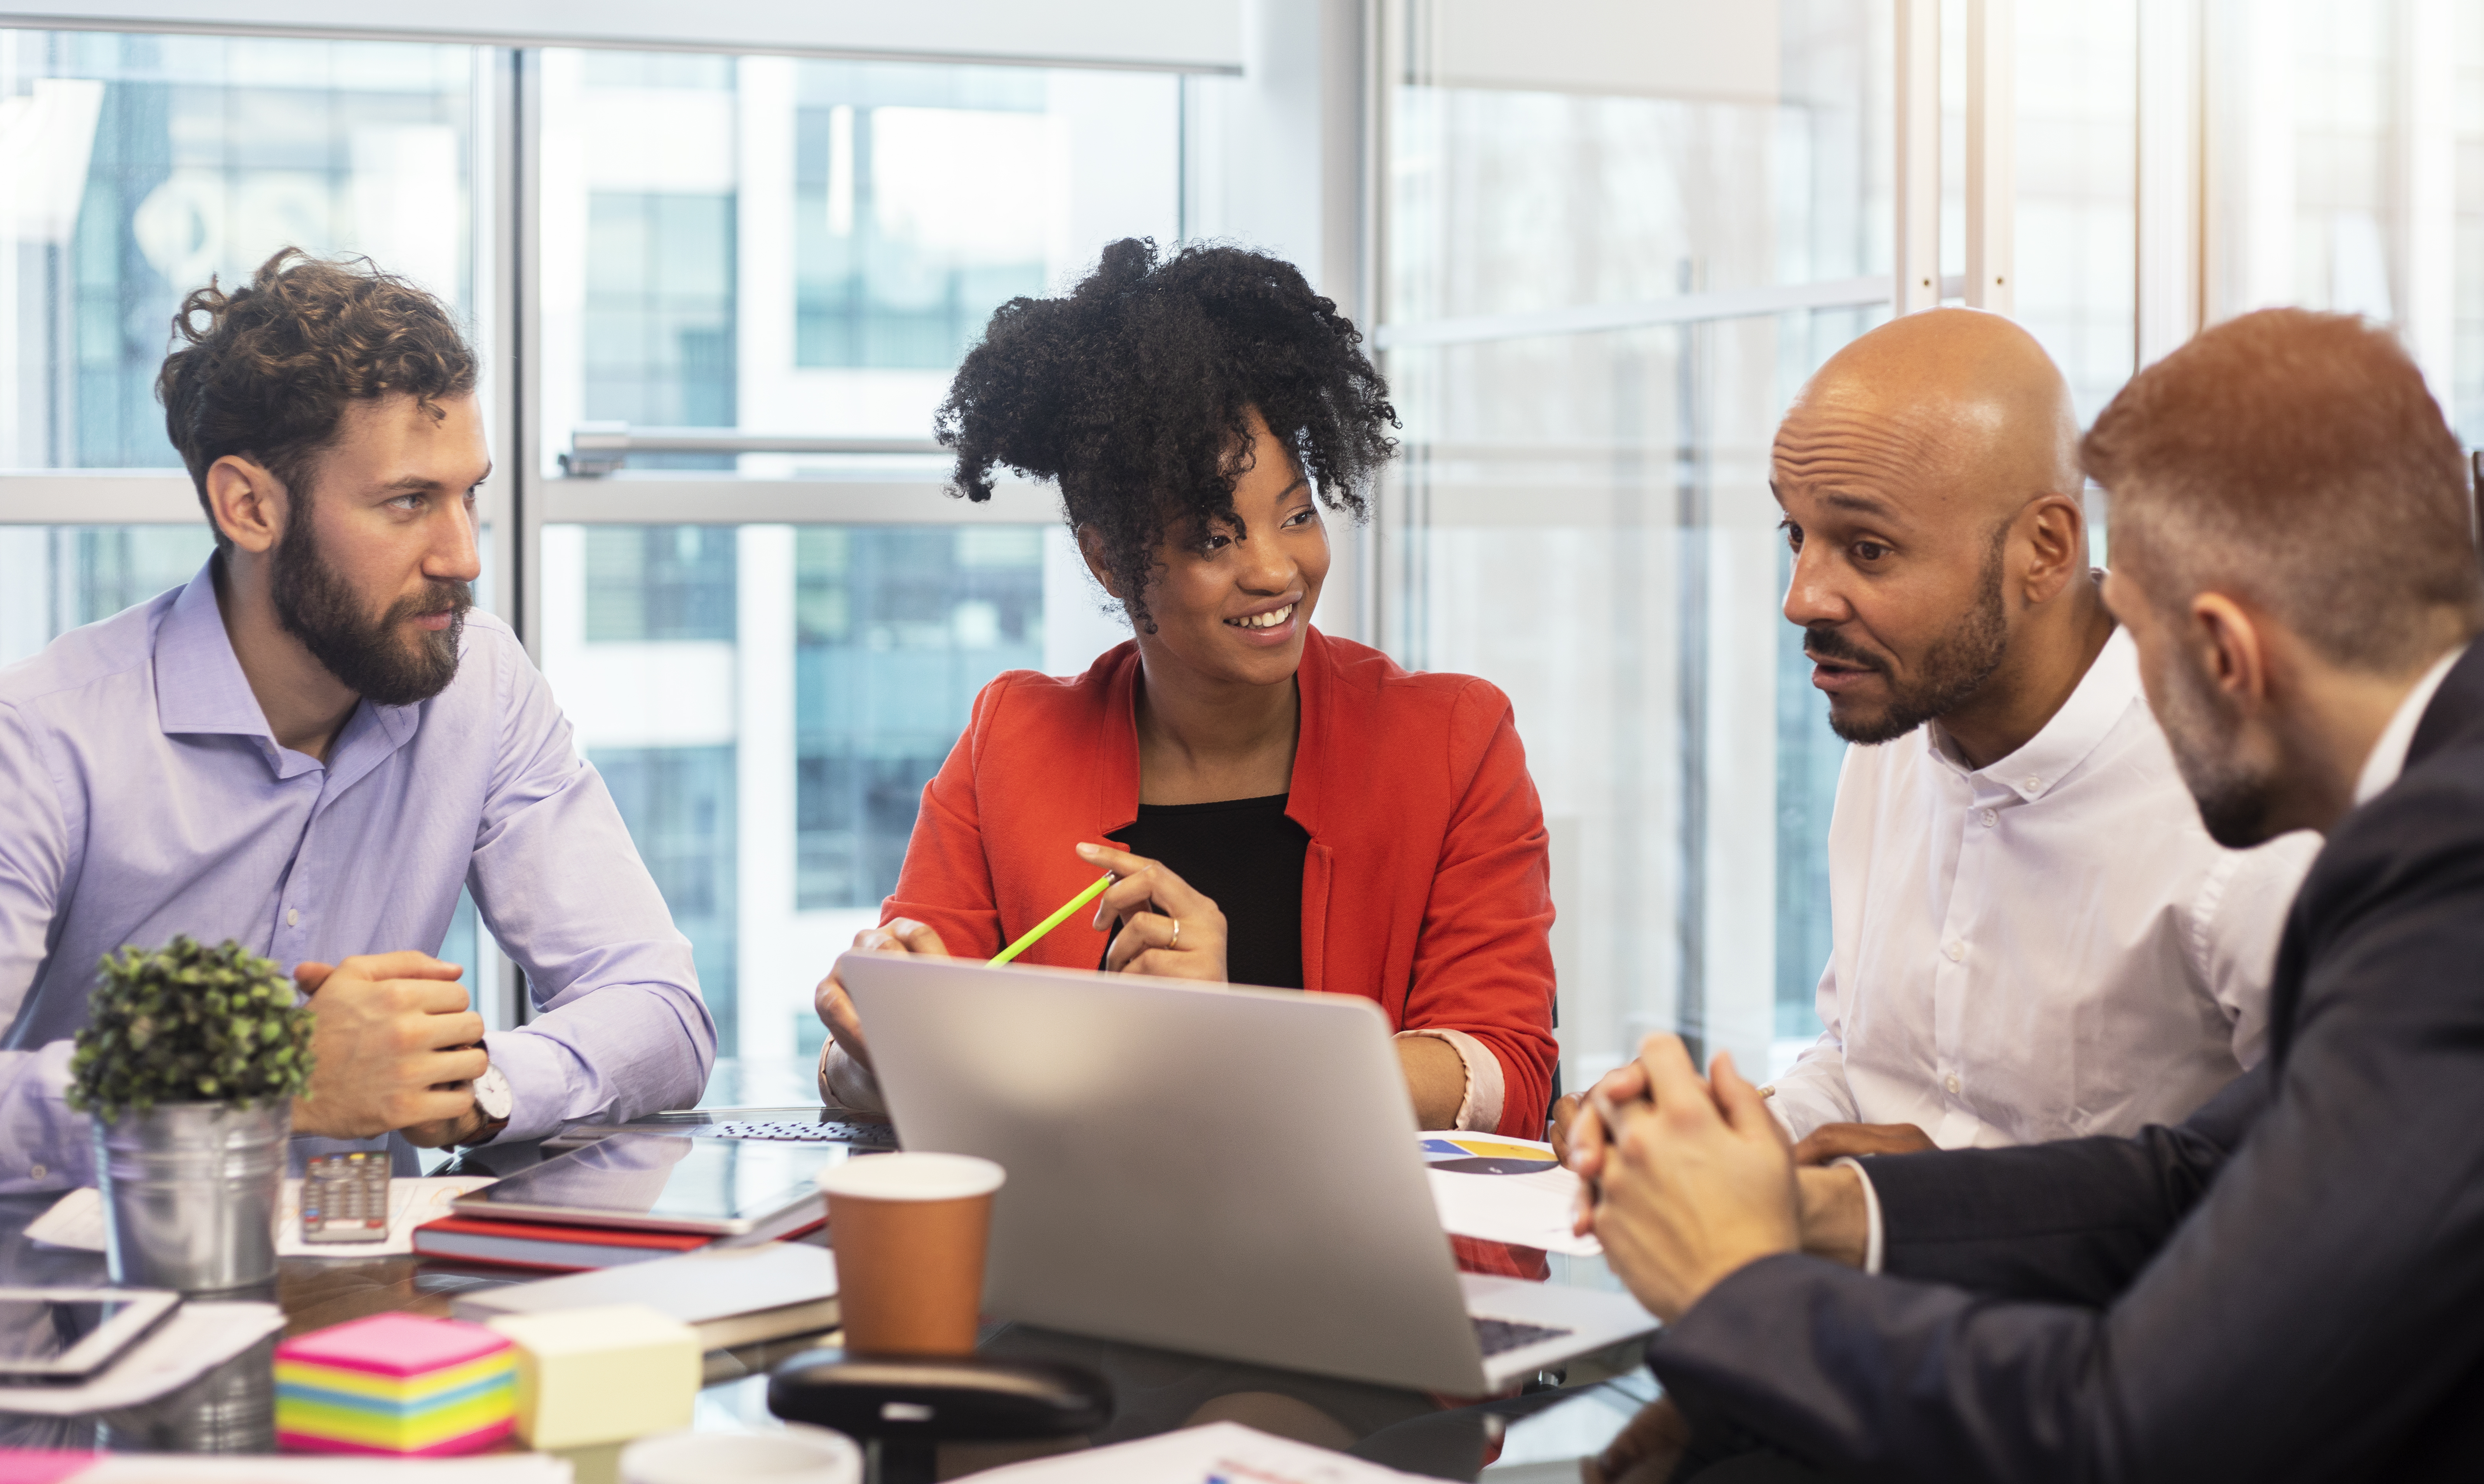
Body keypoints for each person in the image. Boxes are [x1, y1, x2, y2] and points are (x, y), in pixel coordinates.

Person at [1570, 308, 2484, 1482]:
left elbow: (2127, 1427)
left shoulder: (2441, 874)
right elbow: (2197, 1176)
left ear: (2223, 654)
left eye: (2134, 637)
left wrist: (1741, 1294)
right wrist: (1811, 1215)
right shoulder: (2437, 823)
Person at [0, 251, 713, 1193]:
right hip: (91, 1300)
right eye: (408, 502)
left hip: (374, 1294)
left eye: (470, 494)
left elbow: (660, 1007)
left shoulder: (478, 682)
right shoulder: (36, 742)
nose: (463, 556)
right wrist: (267, 1083)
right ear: (250, 507)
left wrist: (480, 1086)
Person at [813, 238, 1557, 1136]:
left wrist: (1233, 1037)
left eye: (1297, 515)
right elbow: (879, 1061)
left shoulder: (1451, 741)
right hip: (1087, 1258)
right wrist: (875, 1036)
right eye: (1216, 539)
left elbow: (1508, 1077)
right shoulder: (1012, 741)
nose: (1277, 569)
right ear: (1110, 560)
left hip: (1358, 1258)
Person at [1550, 309, 2314, 1164]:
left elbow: (2315, 1203)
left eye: (1868, 550)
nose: (1801, 598)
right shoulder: (1900, 725)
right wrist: (1739, 1134)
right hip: (1871, 1281)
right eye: (1796, 535)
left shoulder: (2249, 814)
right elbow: (1866, 1065)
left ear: (2045, 550)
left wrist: (1949, 1205)